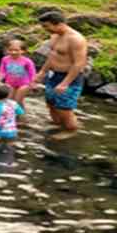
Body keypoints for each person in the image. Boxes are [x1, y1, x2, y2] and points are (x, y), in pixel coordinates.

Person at [36, 9, 88, 138]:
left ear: (58, 24)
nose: (44, 29)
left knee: (64, 108)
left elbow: (79, 64)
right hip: (53, 75)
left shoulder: (76, 39)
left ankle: (71, 130)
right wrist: (42, 72)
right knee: (51, 103)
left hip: (69, 78)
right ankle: (58, 124)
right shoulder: (55, 35)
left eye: (46, 26)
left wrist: (65, 83)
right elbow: (52, 55)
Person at [0, 38, 37, 106]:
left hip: (24, 84)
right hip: (10, 83)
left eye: (16, 50)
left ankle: (20, 115)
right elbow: (2, 71)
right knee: (8, 100)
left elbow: (32, 73)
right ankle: (11, 115)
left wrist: (33, 84)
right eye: (10, 50)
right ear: (7, 50)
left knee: (17, 101)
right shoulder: (5, 59)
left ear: (23, 51)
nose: (13, 52)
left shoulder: (27, 61)